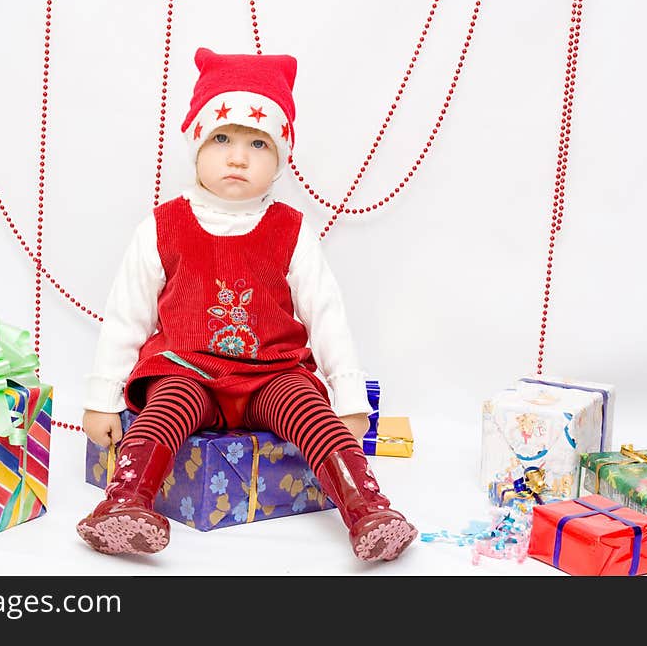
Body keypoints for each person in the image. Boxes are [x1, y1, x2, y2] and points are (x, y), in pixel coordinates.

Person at [76, 47, 417, 561]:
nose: (238, 157)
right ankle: (126, 503)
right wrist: (103, 396)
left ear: (280, 158)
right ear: (196, 146)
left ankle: (367, 508)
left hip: (271, 374)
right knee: (163, 412)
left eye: (258, 142)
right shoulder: (163, 225)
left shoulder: (291, 230)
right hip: (188, 370)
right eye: (221, 139)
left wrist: (349, 400)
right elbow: (129, 314)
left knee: (312, 414)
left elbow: (326, 314)